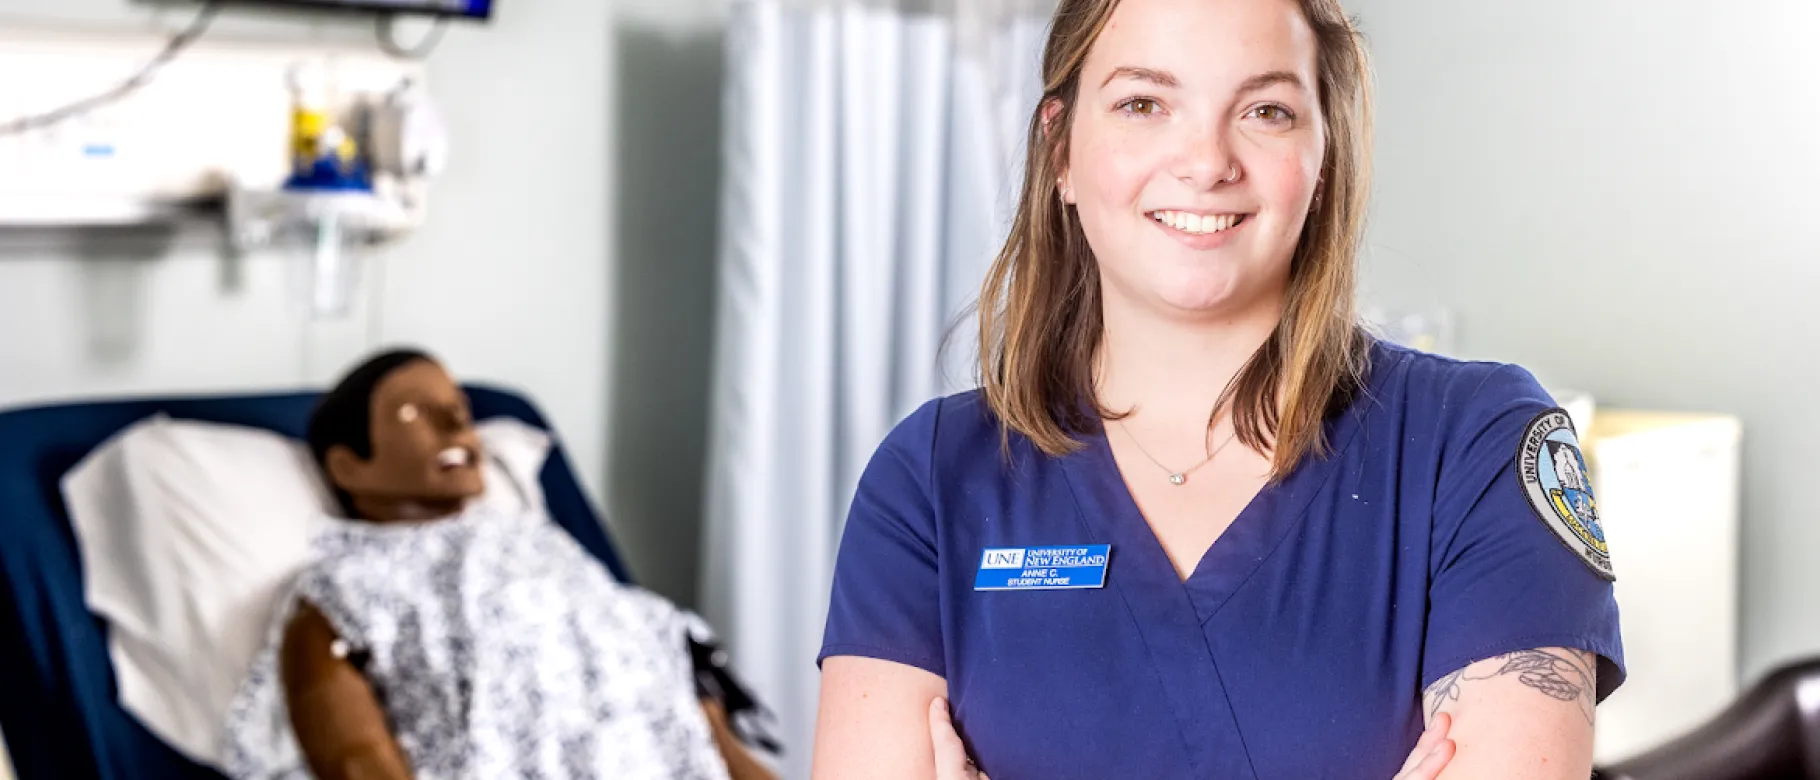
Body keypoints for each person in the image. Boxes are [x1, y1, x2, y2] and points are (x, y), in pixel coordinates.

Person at [811, 0, 1625, 777]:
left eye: (1264, 110)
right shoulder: (930, 480)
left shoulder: (1478, 450)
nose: (1205, 163)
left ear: (1325, 152)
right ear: (1060, 152)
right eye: (1142, 103)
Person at [221, 349, 778, 780]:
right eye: (415, 413)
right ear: (348, 466)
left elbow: (692, 717)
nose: (455, 425)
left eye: (459, 410)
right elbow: (357, 758)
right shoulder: (344, 589)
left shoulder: (544, 545)